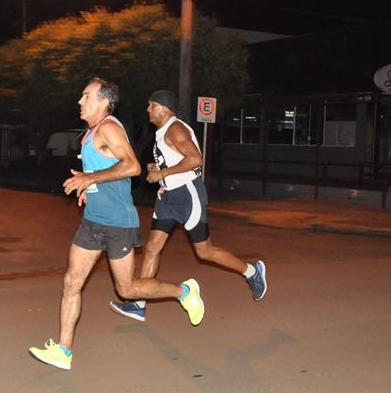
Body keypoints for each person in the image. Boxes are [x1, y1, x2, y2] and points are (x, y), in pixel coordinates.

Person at [29, 78, 204, 370]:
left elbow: (132, 166)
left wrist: (90, 179)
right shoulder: (89, 135)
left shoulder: (109, 127)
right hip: (92, 221)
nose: (80, 101)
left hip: (118, 224)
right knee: (72, 282)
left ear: (103, 101)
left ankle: (184, 292)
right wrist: (87, 186)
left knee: (127, 289)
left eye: (86, 96)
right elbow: (104, 171)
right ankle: (63, 350)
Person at [109, 90, 267, 323]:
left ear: (164, 108)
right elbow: (176, 158)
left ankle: (252, 272)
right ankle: (138, 304)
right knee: (152, 247)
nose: (148, 110)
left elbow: (195, 159)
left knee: (205, 251)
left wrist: (163, 172)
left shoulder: (175, 128)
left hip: (187, 195)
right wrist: (159, 169)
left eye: (151, 105)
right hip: (168, 197)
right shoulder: (163, 132)